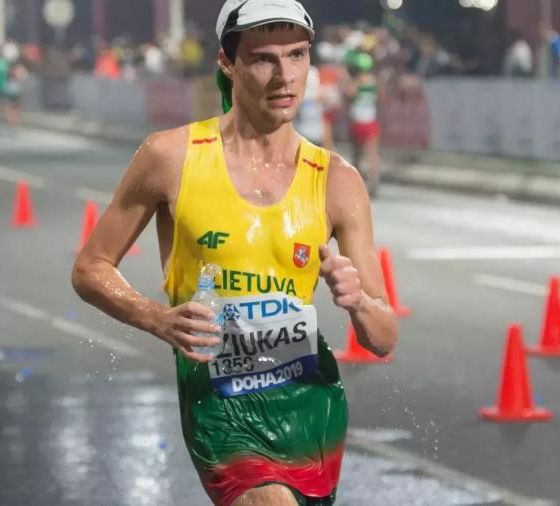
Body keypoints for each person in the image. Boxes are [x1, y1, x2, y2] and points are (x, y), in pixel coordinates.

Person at [72, 2, 397, 505]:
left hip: (310, 405)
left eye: (297, 55)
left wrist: (358, 302)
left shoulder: (337, 179)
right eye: (264, 58)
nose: (284, 76)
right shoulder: (170, 157)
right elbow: (90, 268)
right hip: (220, 405)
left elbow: (383, 338)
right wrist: (157, 319)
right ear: (227, 62)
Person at [342, 52, 380, 196]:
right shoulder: (373, 82)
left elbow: (348, 95)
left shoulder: (355, 82)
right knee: (372, 153)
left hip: (357, 122)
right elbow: (378, 98)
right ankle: (373, 180)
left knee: (356, 153)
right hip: (370, 121)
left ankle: (356, 182)